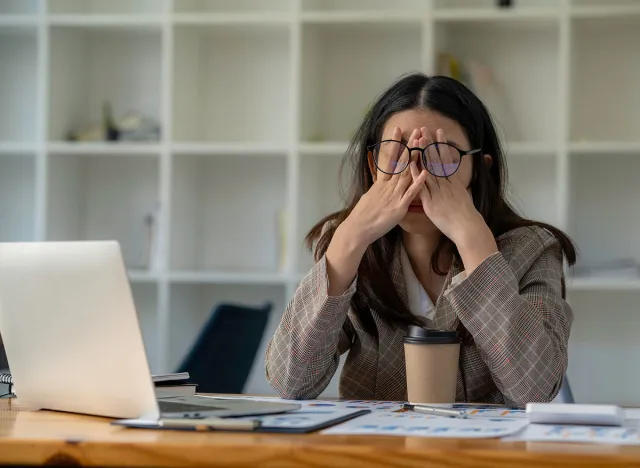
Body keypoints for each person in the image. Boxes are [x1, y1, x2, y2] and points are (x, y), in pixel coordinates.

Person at [265, 73, 576, 407]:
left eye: (441, 155)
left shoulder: (533, 248)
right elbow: (290, 382)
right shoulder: (349, 245)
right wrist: (348, 241)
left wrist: (475, 244)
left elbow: (535, 390)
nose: (416, 175)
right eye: (396, 153)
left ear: (480, 169)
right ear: (373, 166)